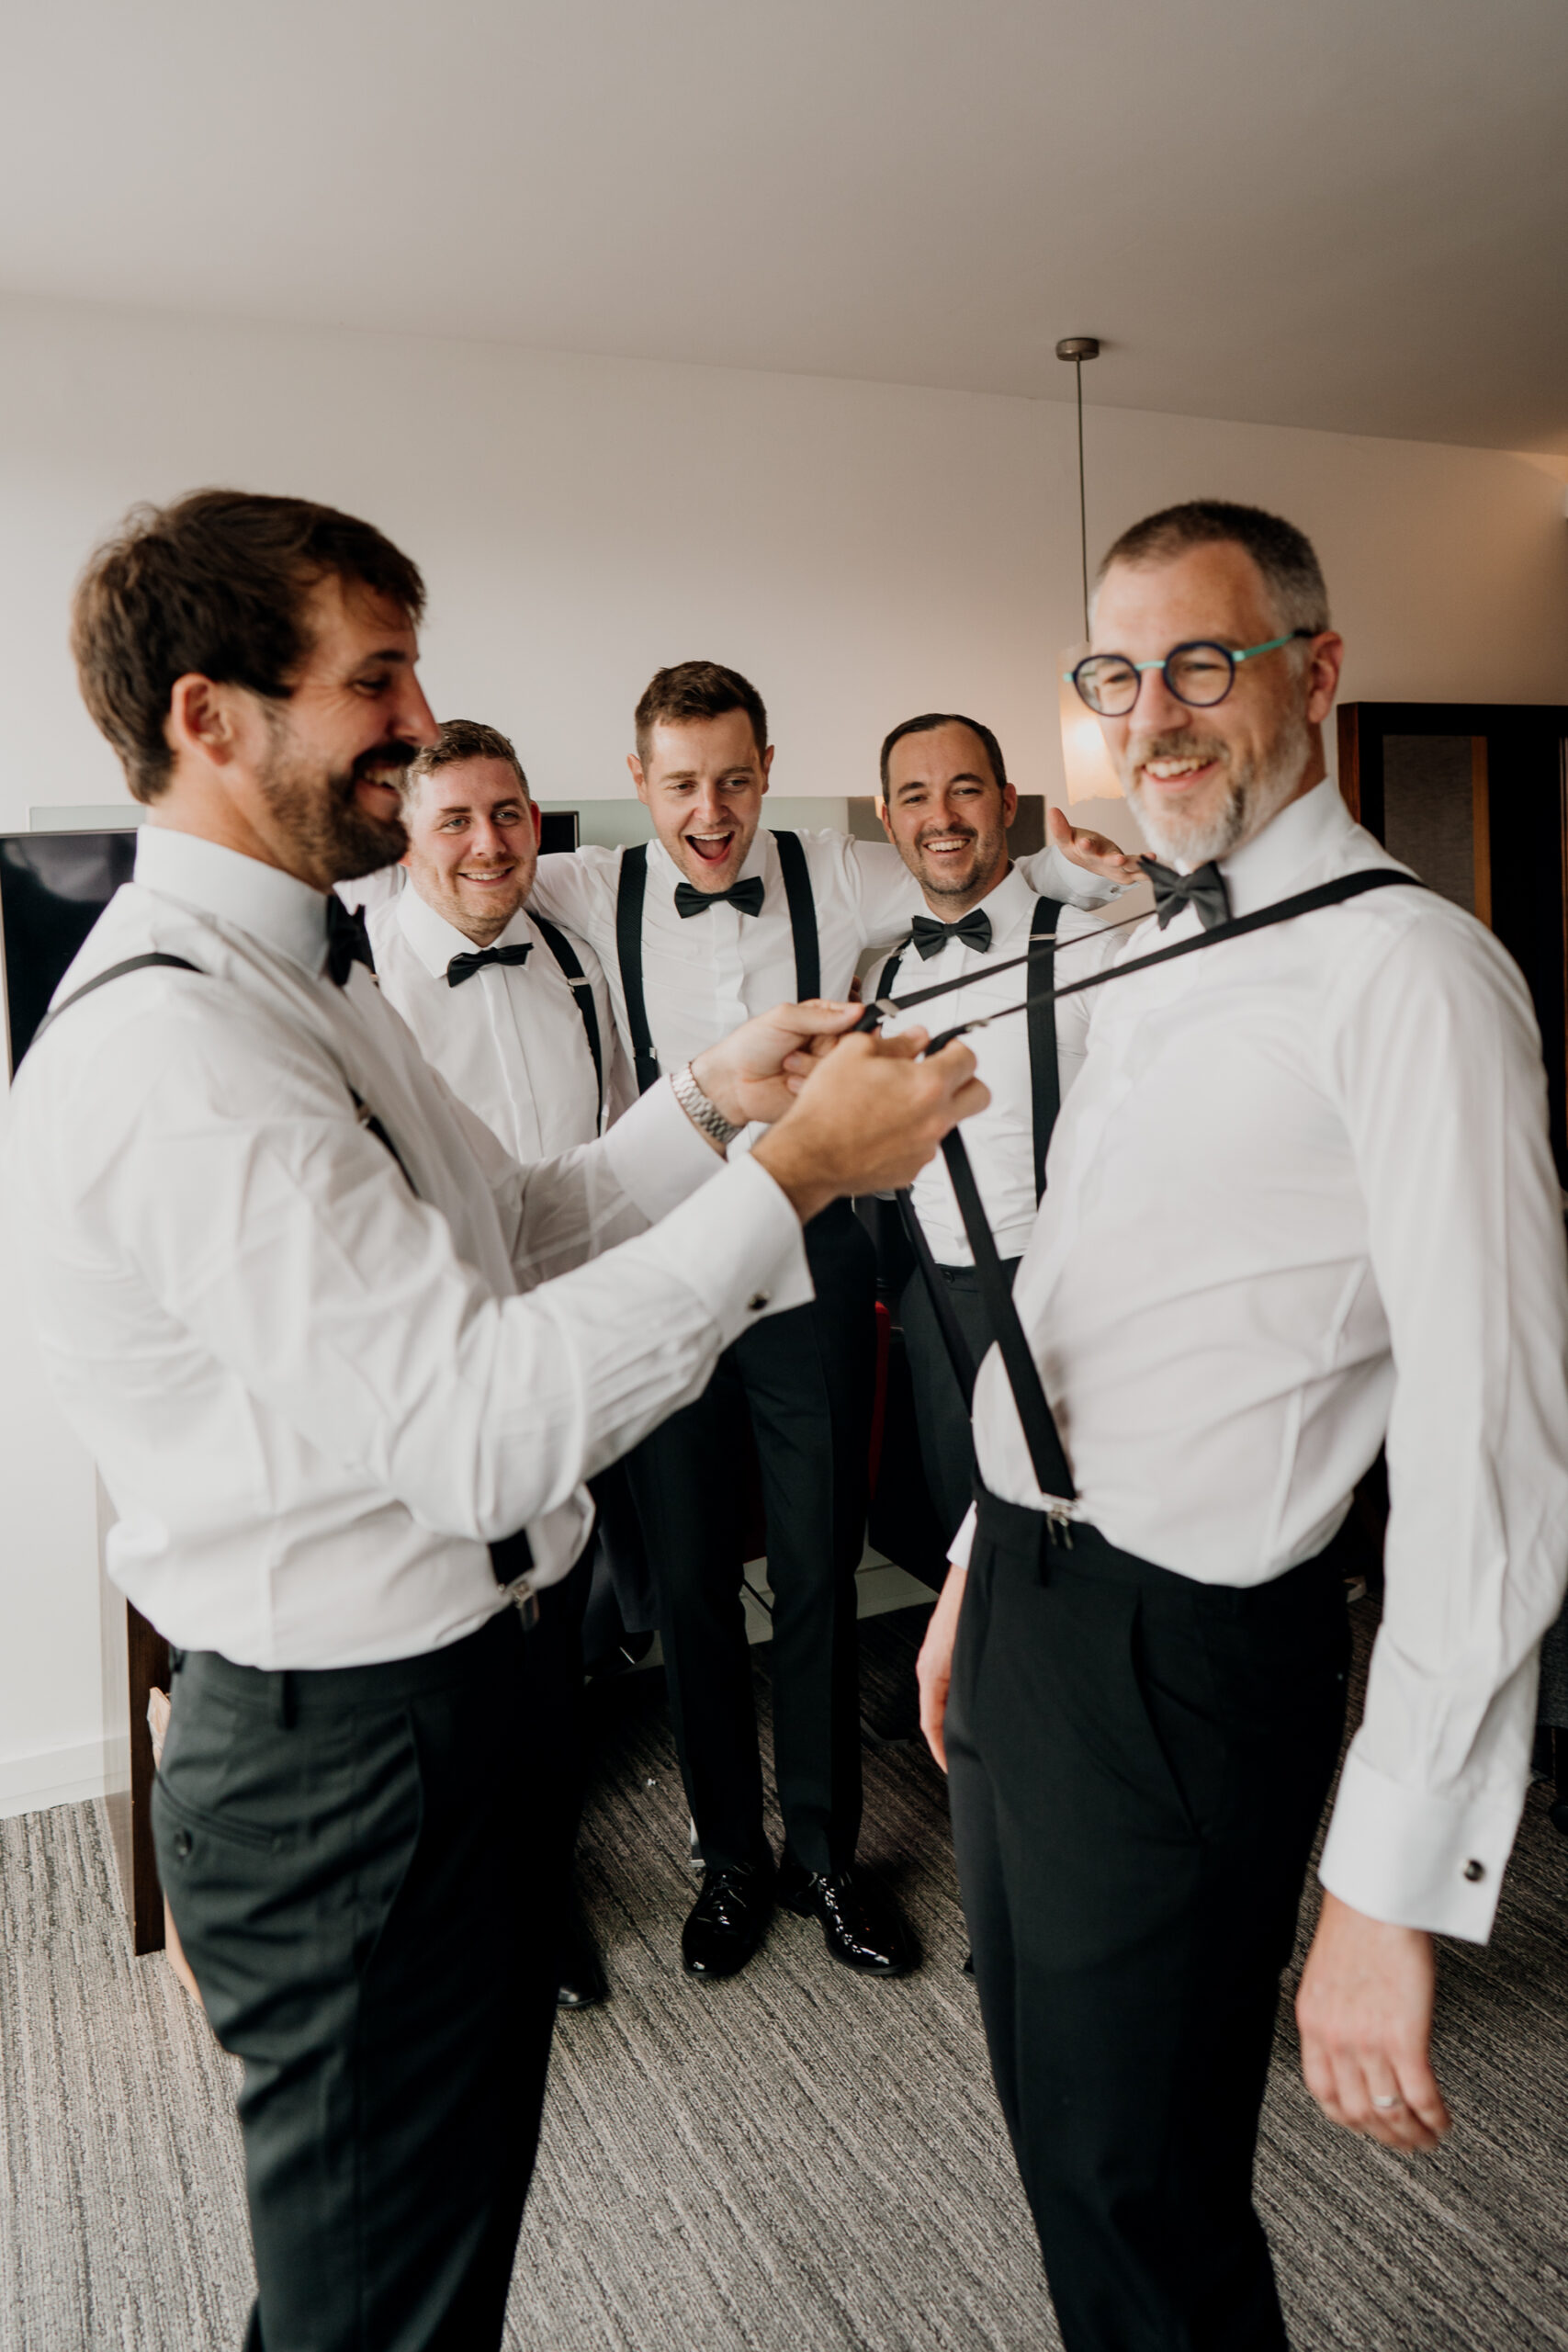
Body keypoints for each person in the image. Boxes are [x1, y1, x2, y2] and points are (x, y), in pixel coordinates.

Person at [2, 489, 986, 2352]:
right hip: (343, 1765)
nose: (419, 710)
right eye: (375, 674)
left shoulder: (299, 981)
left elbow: (520, 1221)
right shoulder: (177, 1049)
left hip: (456, 1710)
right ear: (210, 715)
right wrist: (788, 1181)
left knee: (414, 2264)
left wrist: (702, 1100)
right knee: (380, 2304)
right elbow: (472, 1431)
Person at [914, 499, 1568, 2352]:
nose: (1155, 712)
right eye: (1118, 673)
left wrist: (1389, 1871)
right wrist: (980, 1551)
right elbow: (1089, 1289)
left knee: (1144, 2193)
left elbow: (1496, 1436)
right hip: (1037, 1614)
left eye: (1202, 660)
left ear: (1317, 670)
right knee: (1055, 2127)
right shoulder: (1159, 945)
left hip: (1183, 1658)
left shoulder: (1413, 978)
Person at [528, 660, 1137, 1984]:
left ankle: (823, 1855)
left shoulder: (840, 867)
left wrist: (1097, 867)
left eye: (737, 778)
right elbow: (435, 879)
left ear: (766, 772)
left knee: (813, 1570)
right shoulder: (581, 887)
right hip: (664, 1278)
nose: (712, 810)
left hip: (810, 1276)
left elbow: (979, 871)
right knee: (689, 1585)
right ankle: (725, 1859)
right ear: (639, 782)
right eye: (682, 783)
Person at [367, 716, 638, 2010]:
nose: (490, 843)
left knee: (559, 1641)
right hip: (454, 1362)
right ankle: (483, 1921)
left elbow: (611, 1139)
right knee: (467, 1657)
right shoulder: (362, 982)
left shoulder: (577, 953)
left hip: (583, 1329)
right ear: (405, 835)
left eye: (510, 814)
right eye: (456, 820)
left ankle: (546, 1890)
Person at [870, 708, 1111, 1544]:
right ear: (887, 817)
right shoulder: (885, 973)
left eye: (964, 790)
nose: (940, 817)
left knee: (1070, 1534)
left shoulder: (1094, 947)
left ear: (1007, 802)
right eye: (915, 796)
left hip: (1064, 1295)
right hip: (932, 1297)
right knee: (957, 1527)